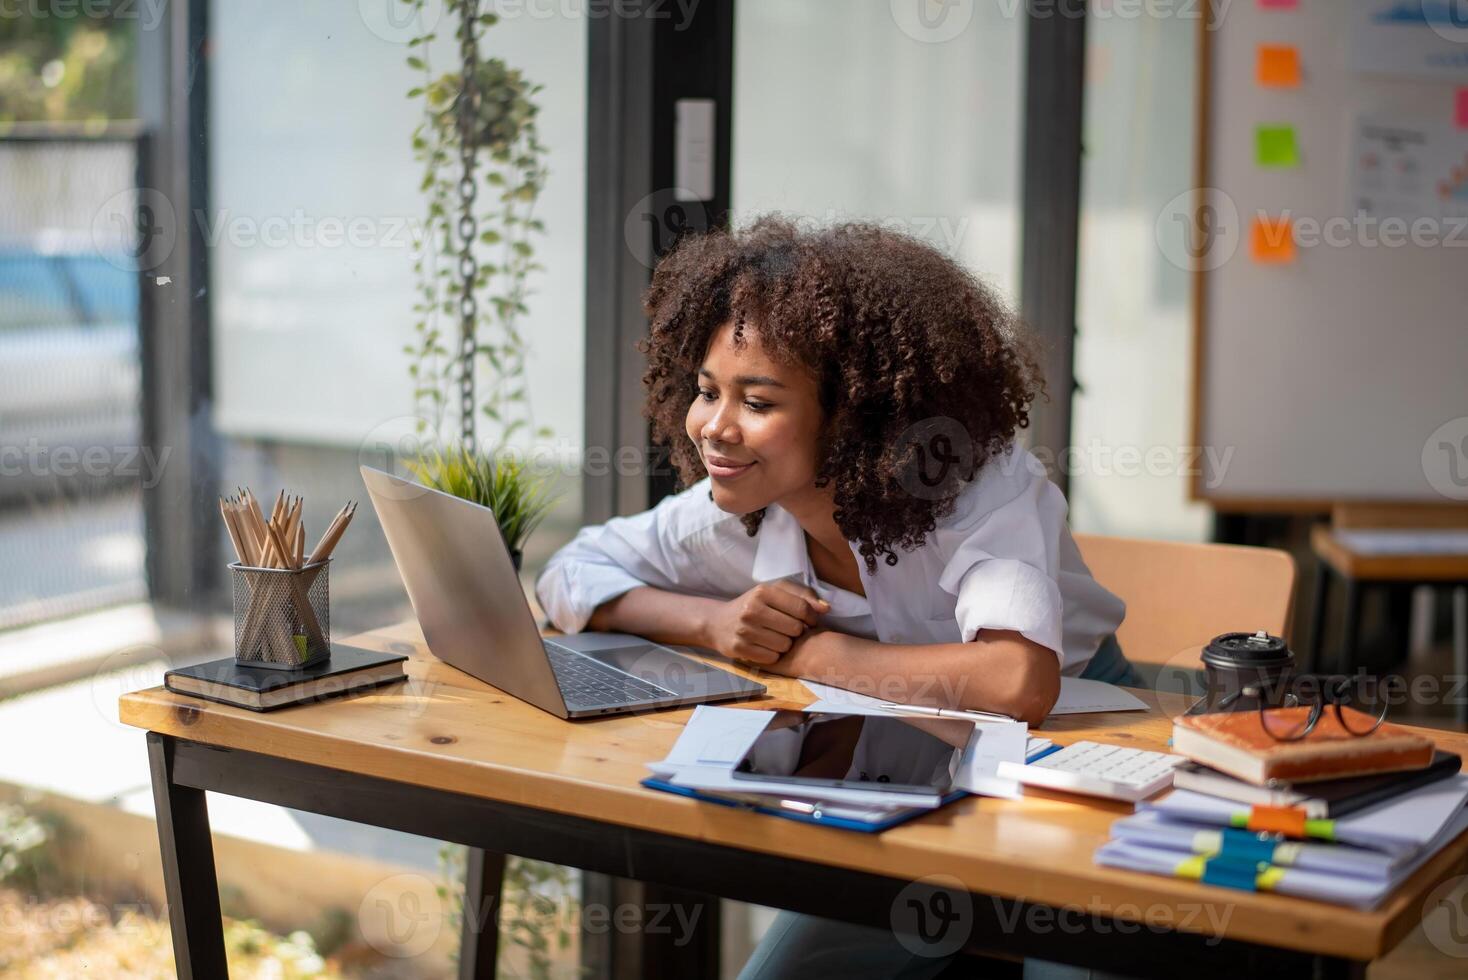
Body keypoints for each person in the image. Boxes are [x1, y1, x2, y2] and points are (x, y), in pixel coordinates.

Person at [536, 217, 1135, 978]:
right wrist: (715, 624)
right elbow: (570, 572)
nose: (714, 429)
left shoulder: (971, 486)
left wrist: (818, 652)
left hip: (1087, 741)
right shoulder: (742, 504)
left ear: (854, 416)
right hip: (903, 759)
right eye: (705, 391)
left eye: (757, 402)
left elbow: (1018, 682)